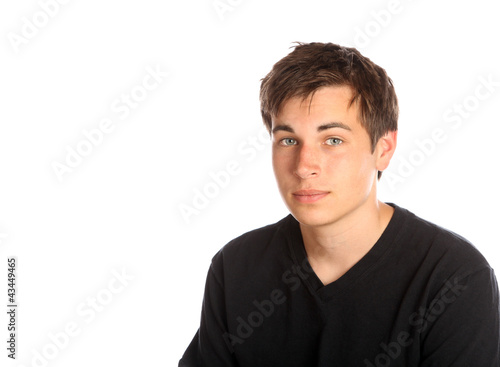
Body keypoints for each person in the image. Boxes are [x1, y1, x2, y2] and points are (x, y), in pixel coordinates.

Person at [178, 42, 500, 366]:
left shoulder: (454, 280)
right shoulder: (236, 268)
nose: (304, 166)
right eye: (288, 140)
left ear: (383, 149)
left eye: (333, 140)